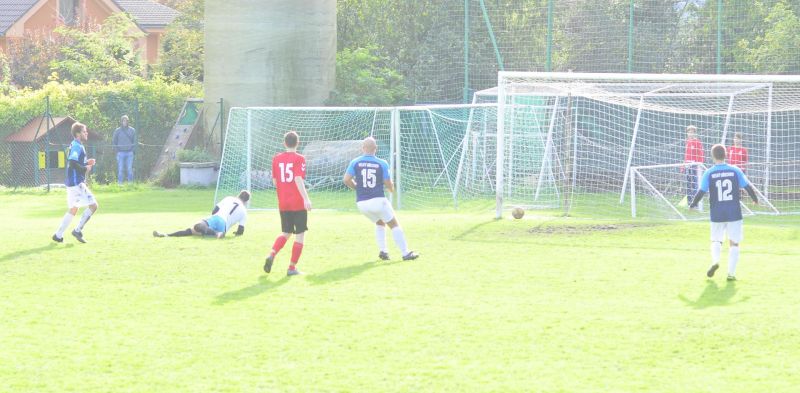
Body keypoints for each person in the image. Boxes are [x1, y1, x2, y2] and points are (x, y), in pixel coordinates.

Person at [689, 144, 759, 281]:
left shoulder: (709, 173)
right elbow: (747, 186)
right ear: (726, 155)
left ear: (713, 156)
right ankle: (731, 274)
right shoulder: (735, 170)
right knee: (734, 243)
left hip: (717, 212)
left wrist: (693, 204)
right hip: (734, 212)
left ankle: (715, 262)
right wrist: (755, 199)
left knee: (716, 240)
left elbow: (701, 191)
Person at [343, 137, 419, 261]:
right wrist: (391, 189)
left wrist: (357, 188)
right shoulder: (381, 163)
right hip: (378, 200)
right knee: (394, 224)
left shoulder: (355, 162)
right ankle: (406, 253)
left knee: (379, 222)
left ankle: (383, 251)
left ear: (362, 148)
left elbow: (346, 179)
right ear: (375, 149)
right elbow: (388, 183)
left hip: (362, 204)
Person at [263, 131, 312, 276]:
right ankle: (291, 268)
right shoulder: (300, 158)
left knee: (286, 232)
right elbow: (298, 178)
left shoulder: (276, 158)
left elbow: (274, 181)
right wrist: (306, 198)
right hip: (297, 202)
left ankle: (272, 253)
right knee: (300, 234)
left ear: (284, 143)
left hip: (283, 202)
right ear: (298, 143)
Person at [52, 122, 98, 243]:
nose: (86, 133)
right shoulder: (78, 146)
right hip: (77, 183)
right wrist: (85, 168)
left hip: (71, 183)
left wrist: (87, 162)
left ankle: (58, 235)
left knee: (73, 209)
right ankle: (77, 230)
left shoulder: (75, 144)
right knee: (93, 205)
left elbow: (75, 162)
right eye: (84, 131)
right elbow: (72, 162)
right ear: (78, 134)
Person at [153, 190, 250, 238]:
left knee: (196, 227)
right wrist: (236, 233)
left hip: (216, 218)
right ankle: (166, 235)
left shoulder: (229, 198)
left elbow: (215, 210)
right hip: (224, 227)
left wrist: (209, 221)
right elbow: (240, 231)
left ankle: (167, 235)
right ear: (246, 201)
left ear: (238, 195)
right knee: (193, 232)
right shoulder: (244, 211)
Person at [682, 125, 705, 210]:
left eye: (692, 132)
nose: (690, 134)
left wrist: (699, 165)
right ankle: (689, 203)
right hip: (688, 166)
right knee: (688, 185)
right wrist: (683, 166)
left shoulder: (697, 142)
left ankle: (695, 203)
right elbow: (686, 155)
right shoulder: (687, 142)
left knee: (695, 185)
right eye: (689, 132)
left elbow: (701, 154)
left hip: (695, 166)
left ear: (695, 133)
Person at [112, 115, 137, 184]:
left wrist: (132, 150)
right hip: (120, 153)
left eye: (126, 121)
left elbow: (135, 142)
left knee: (129, 169)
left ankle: (130, 184)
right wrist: (117, 151)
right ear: (121, 122)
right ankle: (120, 184)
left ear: (128, 122)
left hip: (129, 153)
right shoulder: (117, 131)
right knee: (120, 169)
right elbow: (114, 141)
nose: (125, 122)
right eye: (123, 121)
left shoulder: (132, 130)